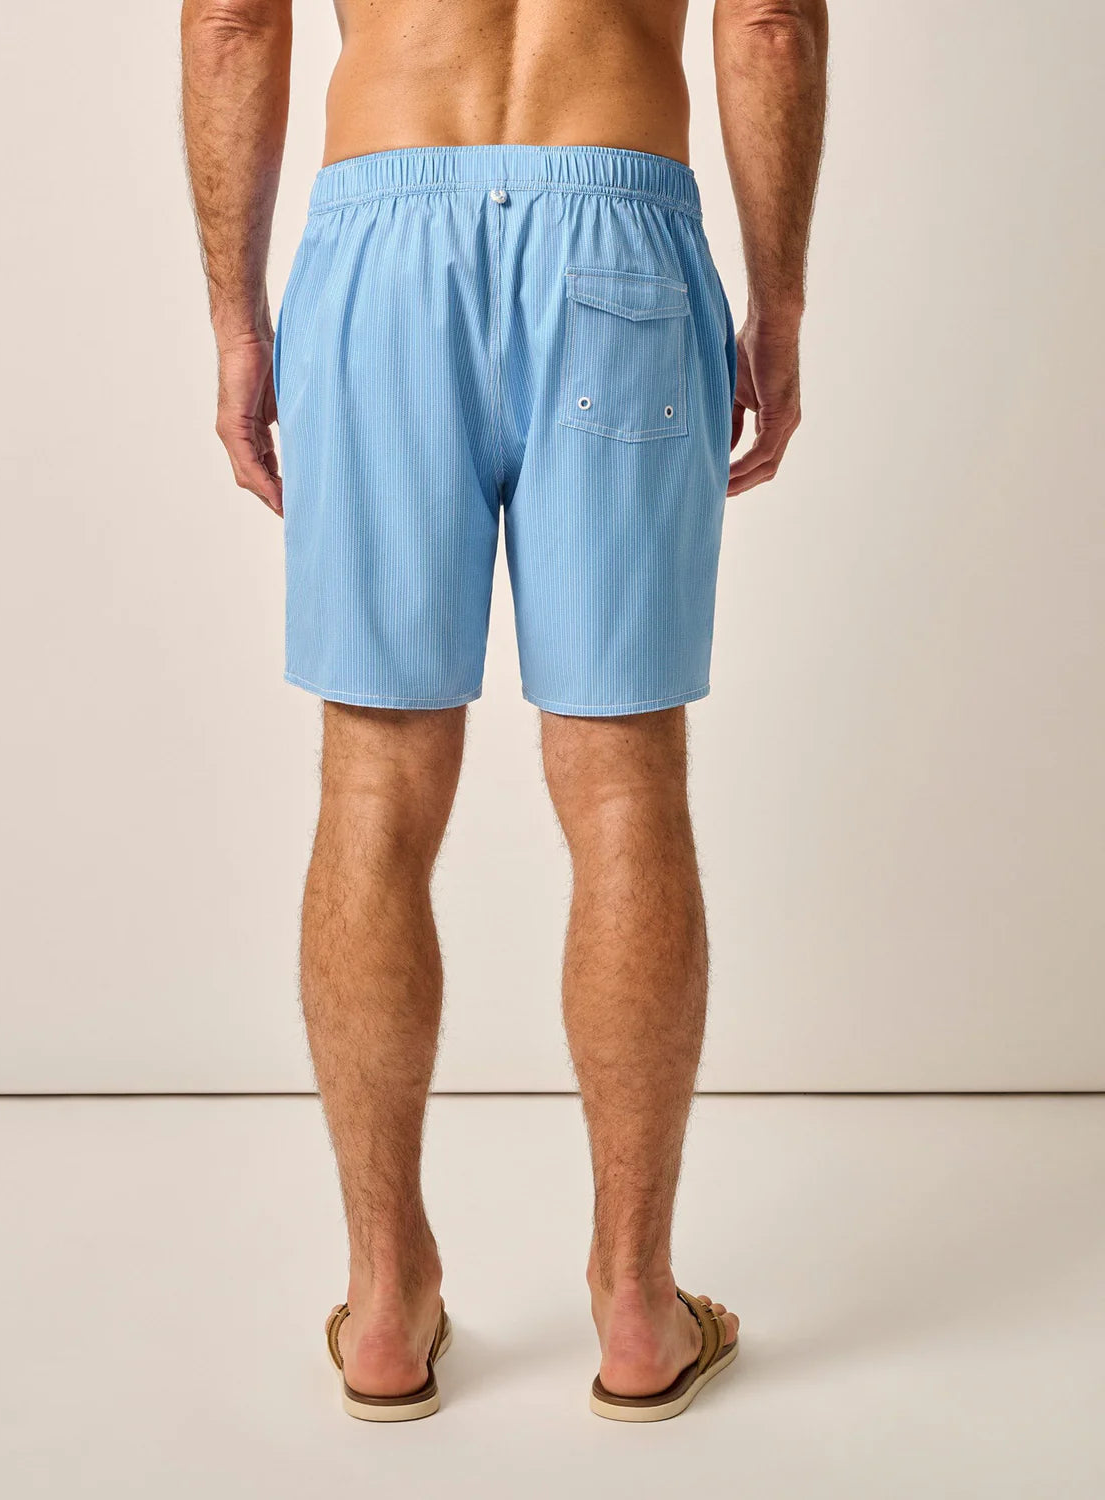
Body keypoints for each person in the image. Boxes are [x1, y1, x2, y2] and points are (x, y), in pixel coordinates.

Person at [181, 0, 827, 1423]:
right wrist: (779, 304)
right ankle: (639, 1305)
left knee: (372, 785)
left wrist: (235, 321)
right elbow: (770, 24)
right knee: (624, 782)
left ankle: (385, 1303)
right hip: (617, 228)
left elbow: (232, 23)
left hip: (382, 243)